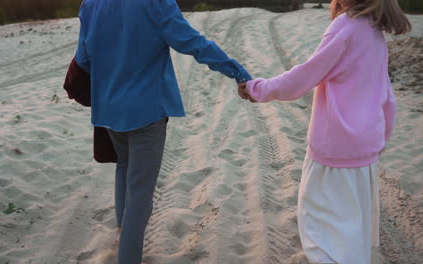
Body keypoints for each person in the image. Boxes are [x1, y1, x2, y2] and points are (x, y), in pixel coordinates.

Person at [74, 0, 251, 263]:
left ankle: (123, 234)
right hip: (146, 109)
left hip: (108, 107)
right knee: (140, 193)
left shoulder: (91, 3)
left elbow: (84, 58)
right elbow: (193, 43)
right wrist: (237, 71)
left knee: (124, 164)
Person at [241, 0, 411, 263]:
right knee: (351, 228)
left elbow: (304, 77)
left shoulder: (345, 26)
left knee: (320, 229)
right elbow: (386, 93)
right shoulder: (373, 29)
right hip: (365, 147)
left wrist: (258, 89)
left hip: (335, 147)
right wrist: (381, 137)